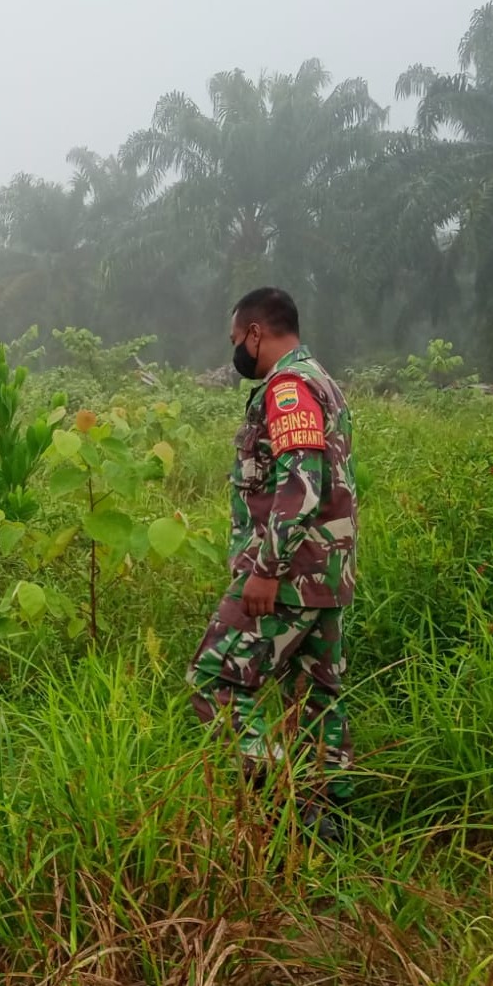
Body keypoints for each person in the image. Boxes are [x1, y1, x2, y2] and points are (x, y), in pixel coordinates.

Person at [188, 287, 358, 840]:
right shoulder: (322, 380)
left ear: (256, 332)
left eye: (237, 339)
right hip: (324, 574)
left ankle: (282, 799)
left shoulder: (288, 388)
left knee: (214, 679)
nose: (236, 350)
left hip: (288, 575)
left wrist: (265, 569)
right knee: (318, 696)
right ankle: (328, 821)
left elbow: (302, 486)